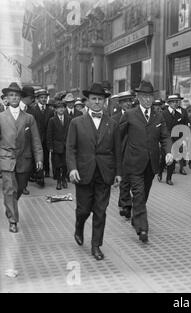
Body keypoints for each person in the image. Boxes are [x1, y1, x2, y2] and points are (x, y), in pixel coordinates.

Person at [67, 83, 122, 261]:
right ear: (87, 101)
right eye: (94, 99)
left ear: (105, 102)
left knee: (100, 211)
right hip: (83, 172)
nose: (97, 102)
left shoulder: (112, 123)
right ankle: (79, 225)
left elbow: (117, 150)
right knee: (83, 210)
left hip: (104, 173)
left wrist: (118, 173)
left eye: (100, 99)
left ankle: (96, 245)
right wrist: (73, 168)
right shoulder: (77, 123)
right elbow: (71, 148)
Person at [119, 80, 173, 243]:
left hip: (151, 164)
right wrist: (118, 160)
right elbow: (119, 137)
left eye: (150, 96)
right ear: (138, 97)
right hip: (134, 163)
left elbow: (165, 136)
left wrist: (169, 152)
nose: (147, 100)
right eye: (144, 96)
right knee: (139, 193)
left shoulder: (158, 115)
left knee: (144, 194)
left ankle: (137, 218)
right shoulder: (129, 114)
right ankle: (143, 228)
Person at [0, 82, 43, 233]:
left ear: (21, 97)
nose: (14, 98)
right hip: (7, 158)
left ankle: (10, 207)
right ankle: (13, 220)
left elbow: (36, 140)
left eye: (17, 95)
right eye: (11, 95)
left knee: (17, 190)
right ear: (6, 97)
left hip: (24, 159)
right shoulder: (1, 117)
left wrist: (39, 159)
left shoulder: (29, 118)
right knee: (9, 190)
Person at [111, 91, 135, 219]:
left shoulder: (136, 115)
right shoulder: (114, 118)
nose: (128, 103)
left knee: (132, 180)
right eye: (125, 101)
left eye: (130, 101)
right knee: (124, 180)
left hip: (135, 153)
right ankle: (126, 205)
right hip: (121, 154)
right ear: (120, 104)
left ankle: (124, 201)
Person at [158, 93, 189, 185]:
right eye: (174, 102)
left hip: (176, 140)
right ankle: (160, 173)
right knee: (164, 158)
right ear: (169, 103)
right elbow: (160, 128)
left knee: (173, 158)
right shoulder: (163, 114)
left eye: (177, 102)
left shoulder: (179, 114)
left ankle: (169, 178)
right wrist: (159, 141)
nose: (176, 104)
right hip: (165, 140)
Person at [28, 88, 53, 186]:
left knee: (46, 156)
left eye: (45, 97)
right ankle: (39, 176)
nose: (43, 99)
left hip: (46, 138)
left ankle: (45, 171)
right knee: (37, 157)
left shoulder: (50, 111)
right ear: (37, 99)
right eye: (41, 97)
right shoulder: (32, 110)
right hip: (36, 138)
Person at [47, 100, 70, 190]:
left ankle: (64, 179)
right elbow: (49, 134)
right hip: (56, 147)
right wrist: (50, 147)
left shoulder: (69, 119)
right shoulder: (52, 120)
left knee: (65, 164)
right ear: (55, 110)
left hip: (66, 146)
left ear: (64, 108)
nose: (61, 109)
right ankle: (58, 181)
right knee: (57, 165)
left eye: (62, 107)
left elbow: (71, 133)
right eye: (58, 108)